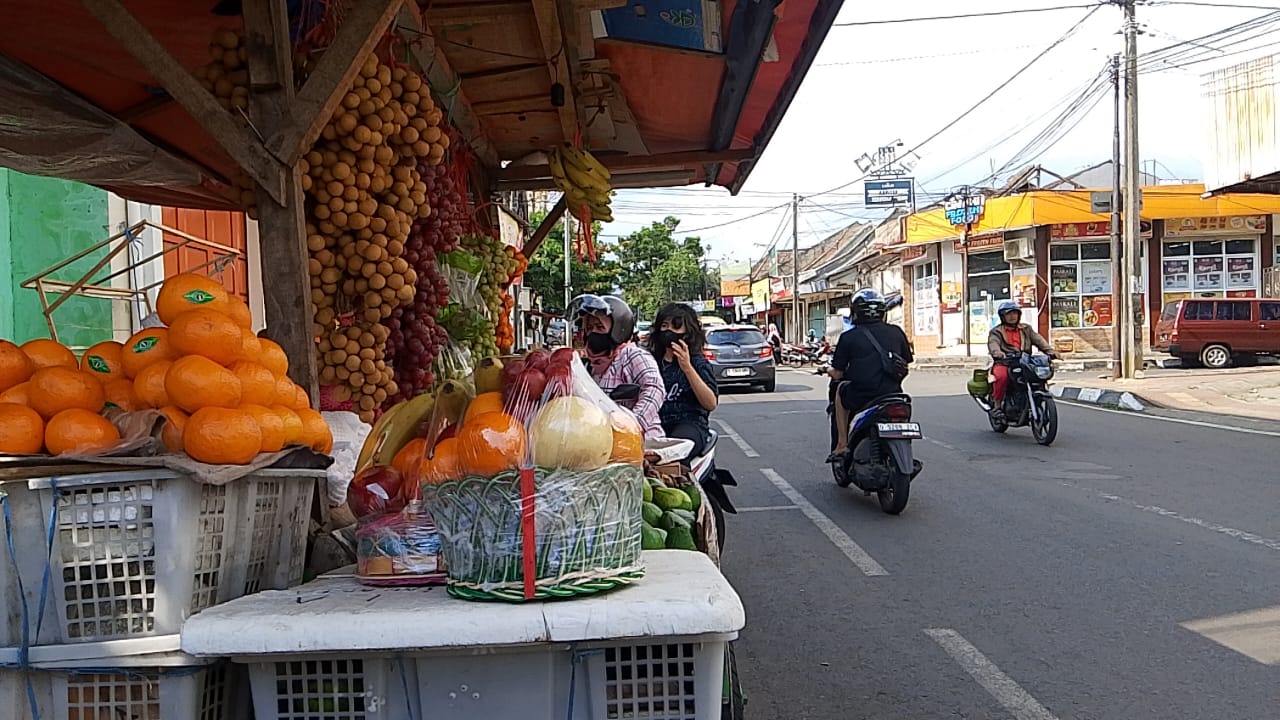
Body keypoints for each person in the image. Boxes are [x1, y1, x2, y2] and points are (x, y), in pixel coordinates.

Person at [827, 288, 913, 460]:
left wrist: (828, 370)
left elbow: (838, 374)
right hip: (893, 393)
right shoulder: (896, 332)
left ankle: (842, 444)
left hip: (862, 394)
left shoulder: (848, 337)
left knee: (839, 390)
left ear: (855, 312)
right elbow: (907, 361)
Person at [568, 294, 665, 440]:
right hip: (603, 441)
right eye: (589, 327)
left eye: (600, 327)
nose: (593, 332)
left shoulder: (632, 355)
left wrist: (632, 424)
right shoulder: (588, 365)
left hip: (642, 441)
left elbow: (654, 388)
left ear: (618, 329)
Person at [649, 303, 719, 458]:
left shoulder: (698, 363)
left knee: (677, 450)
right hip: (654, 424)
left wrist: (686, 367)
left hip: (689, 424)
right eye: (665, 326)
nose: (669, 331)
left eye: (676, 327)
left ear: (687, 333)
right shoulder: (649, 361)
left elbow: (710, 403)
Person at [987, 301, 1056, 418]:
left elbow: (1038, 340)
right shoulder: (996, 331)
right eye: (1008, 314)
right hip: (1005, 362)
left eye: (1014, 313)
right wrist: (998, 353)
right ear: (1003, 316)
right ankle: (997, 406)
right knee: (1001, 377)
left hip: (1024, 361)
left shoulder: (1026, 329)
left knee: (1037, 376)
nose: (1012, 316)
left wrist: (1051, 351)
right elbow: (993, 343)